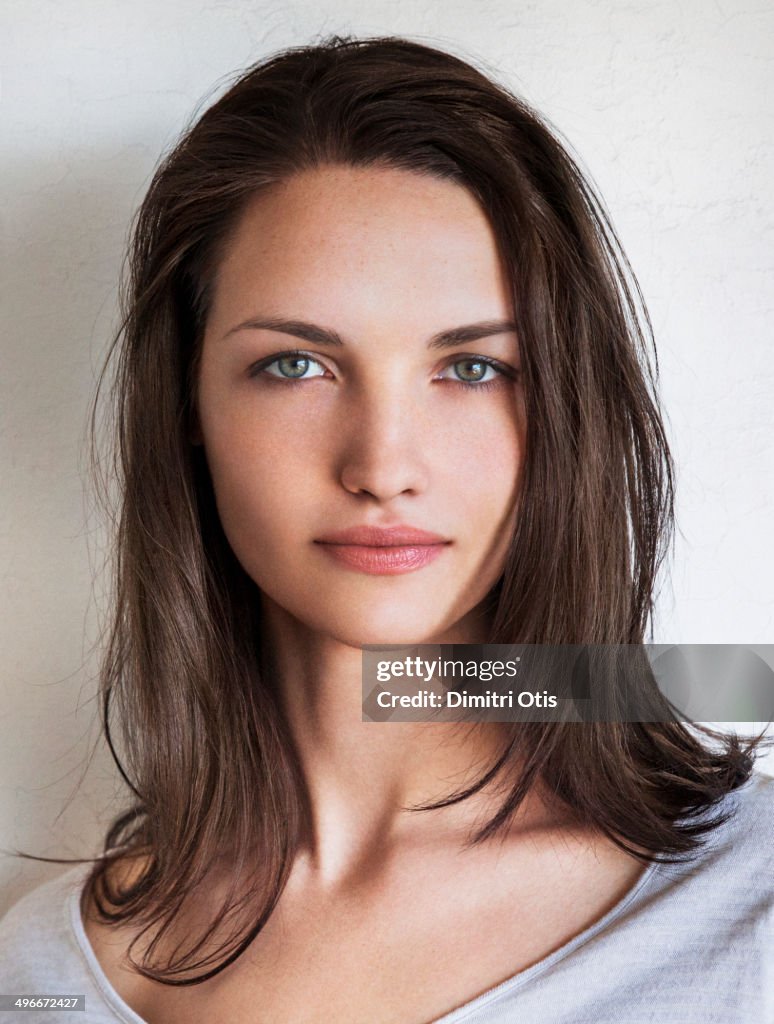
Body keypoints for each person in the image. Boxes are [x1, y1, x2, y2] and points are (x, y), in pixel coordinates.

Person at [1, 34, 771, 1024]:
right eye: (295, 365)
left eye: (473, 368)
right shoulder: (39, 976)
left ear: (567, 410)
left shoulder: (752, 912)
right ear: (187, 409)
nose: (383, 466)